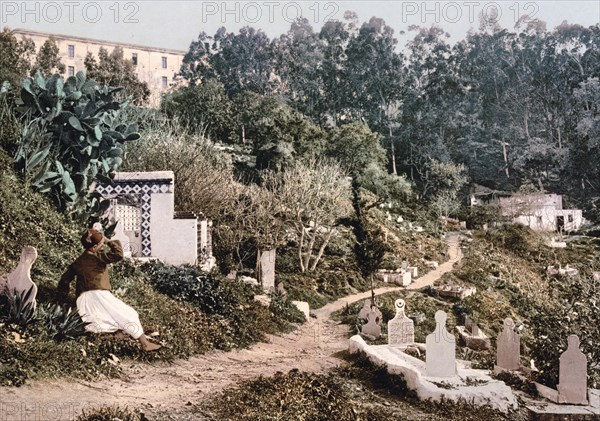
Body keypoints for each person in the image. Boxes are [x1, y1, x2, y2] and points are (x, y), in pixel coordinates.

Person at [58, 228, 161, 351]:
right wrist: (108, 241)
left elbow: (65, 279)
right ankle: (145, 344)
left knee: (101, 322)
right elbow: (119, 254)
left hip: (83, 299)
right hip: (99, 296)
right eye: (100, 244)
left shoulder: (78, 261)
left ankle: (113, 342)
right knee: (129, 314)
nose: (102, 246)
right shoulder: (99, 257)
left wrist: (62, 298)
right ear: (95, 246)